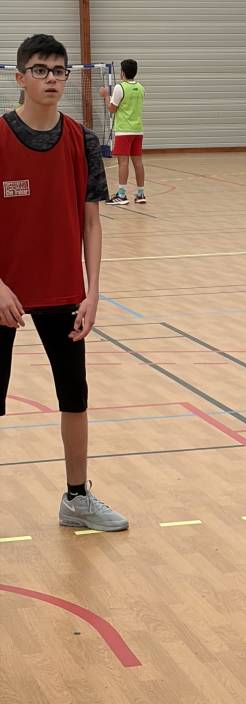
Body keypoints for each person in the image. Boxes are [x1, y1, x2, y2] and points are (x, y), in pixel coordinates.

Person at [0, 34, 128, 532]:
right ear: (20, 77)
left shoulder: (83, 140)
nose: (51, 78)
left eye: (59, 70)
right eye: (40, 70)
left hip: (63, 291)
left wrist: (93, 292)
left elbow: (91, 223)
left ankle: (77, 499)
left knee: (74, 396)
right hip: (4, 292)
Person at [100, 57, 146, 204]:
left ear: (123, 72)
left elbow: (112, 109)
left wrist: (106, 96)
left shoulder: (120, 87)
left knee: (123, 162)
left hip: (124, 130)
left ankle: (121, 195)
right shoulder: (141, 87)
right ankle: (141, 194)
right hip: (138, 130)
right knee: (138, 162)